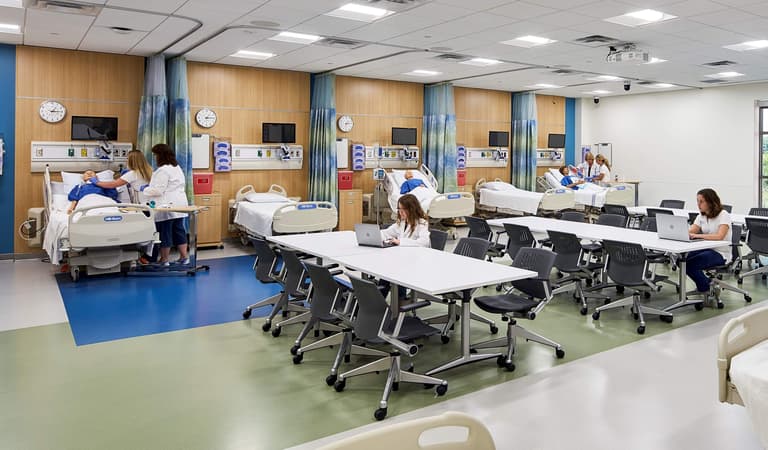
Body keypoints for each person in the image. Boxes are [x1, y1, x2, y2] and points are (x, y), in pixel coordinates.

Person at [142, 143, 189, 266]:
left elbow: (158, 190)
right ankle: (184, 257)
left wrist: (144, 189)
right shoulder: (176, 167)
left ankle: (164, 259)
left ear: (160, 155)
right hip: (179, 204)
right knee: (179, 230)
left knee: (165, 232)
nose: (154, 157)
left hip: (166, 204)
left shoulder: (163, 170)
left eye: (155, 155)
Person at [379, 194, 430, 300]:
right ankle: (381, 302)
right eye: (399, 209)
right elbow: (386, 233)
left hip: (416, 261)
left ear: (412, 209)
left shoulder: (422, 223)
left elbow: (424, 242)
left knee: (393, 272)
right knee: (387, 272)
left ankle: (398, 302)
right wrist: (373, 235)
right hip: (403, 259)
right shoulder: (401, 223)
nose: (400, 212)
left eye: (403, 209)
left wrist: (400, 242)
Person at [686, 188, 732, 294]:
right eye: (697, 201)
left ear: (711, 202)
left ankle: (705, 287)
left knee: (691, 264)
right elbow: (691, 231)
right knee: (681, 260)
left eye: (701, 201)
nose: (698, 204)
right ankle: (706, 284)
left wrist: (697, 236)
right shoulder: (701, 216)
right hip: (706, 249)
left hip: (721, 253)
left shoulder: (723, 215)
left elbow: (720, 236)